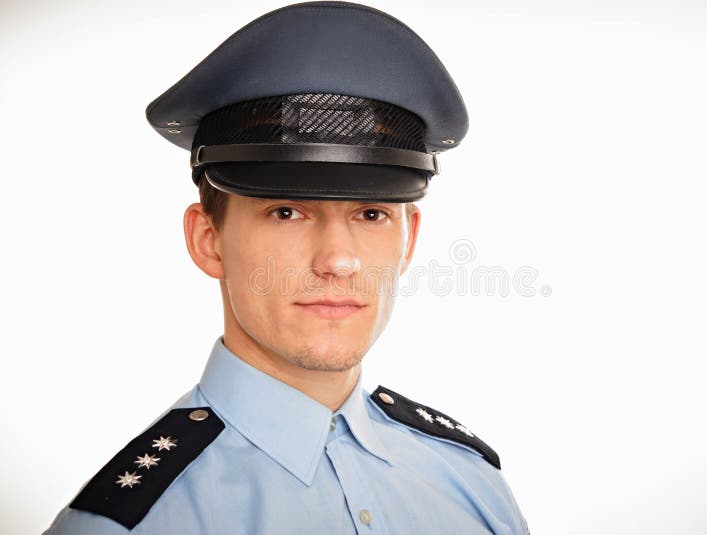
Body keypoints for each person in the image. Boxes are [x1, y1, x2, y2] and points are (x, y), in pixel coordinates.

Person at [43, 1, 529, 533]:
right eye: (287, 211)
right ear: (209, 240)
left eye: (371, 214)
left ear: (408, 240)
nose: (338, 260)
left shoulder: (471, 481)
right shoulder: (128, 523)